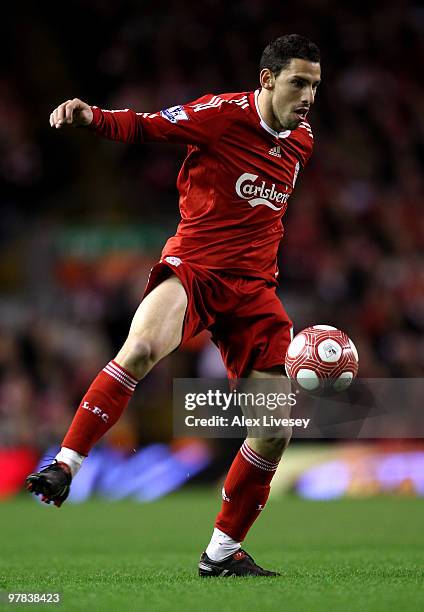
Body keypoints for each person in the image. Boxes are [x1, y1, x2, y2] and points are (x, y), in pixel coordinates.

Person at [26, 33, 321, 577]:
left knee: (276, 425)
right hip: (196, 267)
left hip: (254, 290)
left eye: (314, 86)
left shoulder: (301, 140)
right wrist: (90, 116)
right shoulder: (219, 115)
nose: (307, 96)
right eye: (298, 83)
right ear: (268, 80)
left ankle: (223, 553)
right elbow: (146, 125)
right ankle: (65, 464)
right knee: (139, 349)